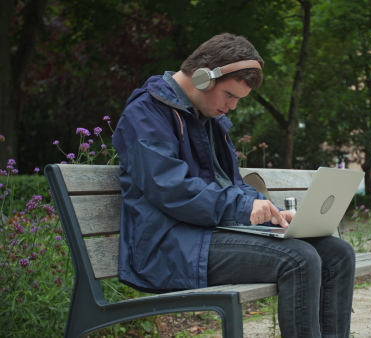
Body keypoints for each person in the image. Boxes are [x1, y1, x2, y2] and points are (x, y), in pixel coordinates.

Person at [112, 33, 356, 337]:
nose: (233, 106)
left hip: (207, 234)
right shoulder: (145, 114)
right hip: (169, 246)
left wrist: (273, 213)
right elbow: (171, 188)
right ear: (202, 77)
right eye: (230, 95)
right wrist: (243, 206)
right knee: (299, 257)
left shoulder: (208, 121)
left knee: (337, 253)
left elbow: (232, 185)